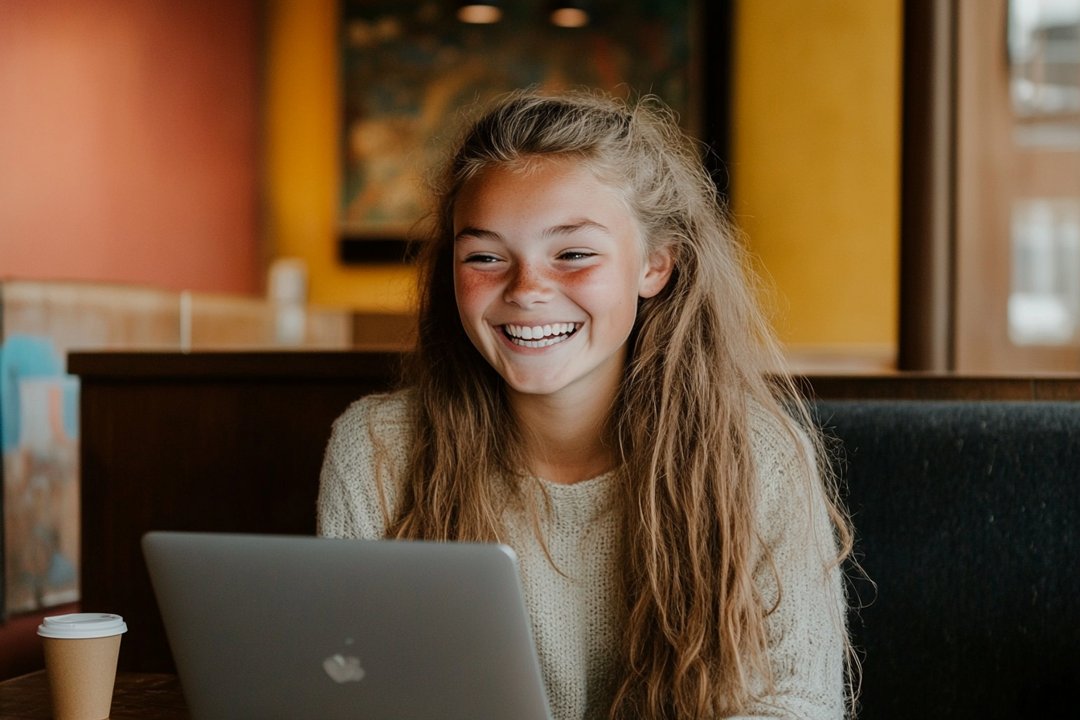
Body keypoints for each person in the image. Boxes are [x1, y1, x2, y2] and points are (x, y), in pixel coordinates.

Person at [318, 88, 855, 720]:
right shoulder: (378, 449)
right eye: (485, 257)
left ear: (654, 265)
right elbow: (348, 694)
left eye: (572, 254)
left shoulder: (758, 458)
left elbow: (796, 705)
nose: (527, 290)